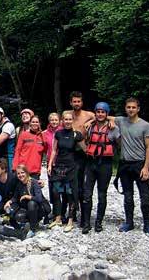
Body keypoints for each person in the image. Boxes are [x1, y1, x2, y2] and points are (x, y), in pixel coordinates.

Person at [113, 97, 149, 236]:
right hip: (125, 164)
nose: (131, 109)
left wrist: (146, 167)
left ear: (138, 109)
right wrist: (89, 123)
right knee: (128, 196)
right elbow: (102, 116)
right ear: (125, 108)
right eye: (128, 107)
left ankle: (147, 224)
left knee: (145, 196)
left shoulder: (146, 125)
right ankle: (129, 222)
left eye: (133, 107)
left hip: (140, 164)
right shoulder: (120, 121)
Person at [81, 102, 120, 234]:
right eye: (98, 112)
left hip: (105, 164)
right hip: (91, 163)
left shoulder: (113, 128)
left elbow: (119, 144)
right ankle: (86, 222)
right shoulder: (90, 127)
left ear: (107, 113)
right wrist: (86, 150)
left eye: (103, 112)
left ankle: (98, 222)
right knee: (87, 194)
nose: (100, 114)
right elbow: (82, 139)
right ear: (95, 113)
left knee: (102, 194)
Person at [47, 112, 86, 233]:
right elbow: (54, 150)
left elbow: (85, 149)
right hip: (58, 166)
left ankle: (70, 220)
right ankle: (58, 218)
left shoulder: (76, 135)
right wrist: (49, 164)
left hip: (71, 167)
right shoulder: (58, 133)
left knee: (70, 194)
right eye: (65, 119)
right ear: (62, 121)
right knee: (56, 192)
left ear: (72, 120)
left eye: (70, 119)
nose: (68, 121)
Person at [63, 92, 96, 227]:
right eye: (74, 101)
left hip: (83, 152)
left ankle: (84, 216)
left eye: (79, 101)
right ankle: (71, 213)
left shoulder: (89, 115)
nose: (76, 103)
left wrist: (90, 121)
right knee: (70, 185)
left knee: (82, 185)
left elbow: (105, 117)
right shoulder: (67, 114)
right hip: (69, 153)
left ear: (82, 103)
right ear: (71, 102)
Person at [4, 164, 48, 237]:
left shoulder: (34, 182)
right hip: (26, 208)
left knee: (31, 203)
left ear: (27, 173)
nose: (20, 175)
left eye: (22, 173)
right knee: (11, 208)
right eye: (18, 173)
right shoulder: (19, 184)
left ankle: (33, 228)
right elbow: (15, 197)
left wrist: (27, 196)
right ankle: (19, 227)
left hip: (40, 208)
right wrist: (9, 202)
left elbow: (39, 199)